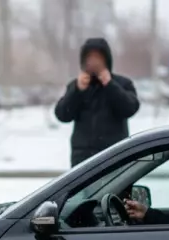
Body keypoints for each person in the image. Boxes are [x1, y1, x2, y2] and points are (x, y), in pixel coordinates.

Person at [55, 38, 141, 167]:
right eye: (90, 58)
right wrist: (77, 91)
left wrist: (110, 84)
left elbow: (130, 108)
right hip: (83, 159)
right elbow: (63, 115)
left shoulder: (122, 84)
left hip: (114, 155)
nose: (94, 62)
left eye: (98, 57)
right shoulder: (76, 85)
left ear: (106, 59)